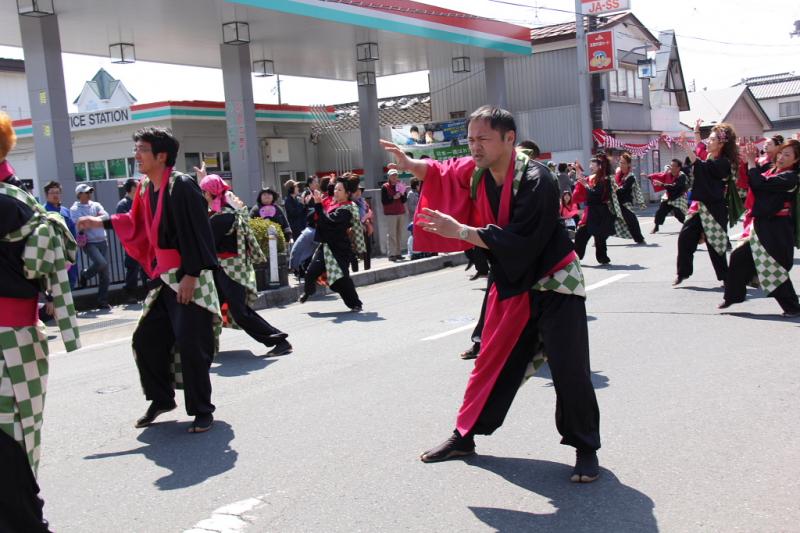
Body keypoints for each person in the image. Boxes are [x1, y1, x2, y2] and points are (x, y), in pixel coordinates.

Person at [380, 105, 601, 483]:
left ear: (509, 139)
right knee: (492, 363)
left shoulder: (537, 178)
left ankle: (585, 448)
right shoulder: (477, 171)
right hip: (513, 280)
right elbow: (442, 172)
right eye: (470, 139)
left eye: (482, 138)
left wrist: (461, 231)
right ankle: (464, 436)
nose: (474, 146)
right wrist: (410, 163)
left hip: (555, 279)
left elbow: (523, 239)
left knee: (569, 367)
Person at [78, 126, 220, 434]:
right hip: (161, 276)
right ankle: (162, 398)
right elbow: (134, 222)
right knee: (146, 339)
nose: (136, 155)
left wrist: (191, 275)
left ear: (162, 155)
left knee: (191, 343)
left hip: (188, 275)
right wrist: (100, 222)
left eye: (142, 150)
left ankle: (202, 409)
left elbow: (199, 232)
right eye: (137, 149)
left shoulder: (181, 185)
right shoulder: (144, 188)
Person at [1, 111, 80, 532]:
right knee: (16, 434)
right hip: (18, 335)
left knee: (9, 438)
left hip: (7, 339)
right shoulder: (20, 198)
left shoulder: (8, 203)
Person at [200, 174, 293, 356]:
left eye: (204, 192)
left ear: (210, 194)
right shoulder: (227, 212)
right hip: (229, 268)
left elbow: (204, 242)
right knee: (207, 309)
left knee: (240, 313)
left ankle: (279, 341)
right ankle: (202, 348)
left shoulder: (221, 218)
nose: (202, 196)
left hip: (230, 270)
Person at [719, 140, 800, 316]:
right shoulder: (771, 171)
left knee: (773, 267)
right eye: (781, 153)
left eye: (787, 155)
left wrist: (751, 163)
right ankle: (734, 296)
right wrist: (745, 162)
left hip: (776, 229)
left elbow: (759, 183)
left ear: (796, 160)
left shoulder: (791, 177)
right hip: (762, 224)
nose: (781, 157)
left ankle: (793, 307)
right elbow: (750, 181)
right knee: (739, 256)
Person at [673, 123, 739, 286]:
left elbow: (700, 165)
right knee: (685, 238)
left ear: (721, 143)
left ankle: (726, 277)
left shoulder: (724, 163)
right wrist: (695, 133)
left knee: (716, 245)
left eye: (712, 139)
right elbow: (699, 150)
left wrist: (685, 146)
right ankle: (683, 272)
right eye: (708, 139)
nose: (707, 142)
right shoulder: (710, 157)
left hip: (715, 208)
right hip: (699, 206)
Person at [298, 175, 366, 311]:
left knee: (341, 280)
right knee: (311, 272)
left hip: (340, 248)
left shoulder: (347, 209)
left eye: (339, 190)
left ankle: (355, 303)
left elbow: (329, 222)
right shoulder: (333, 203)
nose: (336, 192)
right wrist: (318, 200)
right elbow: (322, 208)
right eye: (335, 189)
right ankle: (308, 292)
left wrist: (318, 205)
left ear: (347, 193)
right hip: (326, 246)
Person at [70, 183, 111, 309]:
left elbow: (106, 216)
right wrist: (96, 219)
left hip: (102, 240)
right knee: (101, 263)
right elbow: (80, 224)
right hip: (89, 242)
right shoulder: (74, 209)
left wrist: (88, 220)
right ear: (79, 195)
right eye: (86, 192)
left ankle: (102, 301)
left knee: (105, 274)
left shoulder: (96, 204)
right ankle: (85, 274)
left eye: (90, 192)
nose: (89, 194)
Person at [572, 154, 615, 265]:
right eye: (590, 165)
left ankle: (601, 258)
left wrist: (585, 185)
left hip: (599, 212)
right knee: (584, 234)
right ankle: (579, 257)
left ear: (600, 166)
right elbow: (581, 180)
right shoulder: (594, 178)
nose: (590, 167)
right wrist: (577, 170)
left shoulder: (604, 179)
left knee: (596, 236)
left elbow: (596, 194)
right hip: (592, 212)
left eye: (593, 165)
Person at [117, 178, 149, 302]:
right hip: (132, 242)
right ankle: (130, 294)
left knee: (146, 268)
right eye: (137, 186)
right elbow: (123, 223)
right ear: (132, 188)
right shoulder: (123, 204)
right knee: (132, 268)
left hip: (143, 241)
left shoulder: (140, 201)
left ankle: (149, 293)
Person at [42, 180, 79, 289]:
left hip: (68, 253)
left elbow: (72, 232)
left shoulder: (65, 211)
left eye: (57, 192)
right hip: (53, 254)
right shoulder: (43, 212)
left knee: (71, 282)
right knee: (55, 285)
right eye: (52, 192)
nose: (55, 195)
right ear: (46, 195)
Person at [646, 159, 688, 233]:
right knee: (661, 211)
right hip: (669, 196)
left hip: (678, 196)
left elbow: (674, 186)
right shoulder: (668, 174)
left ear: (678, 168)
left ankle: (687, 225)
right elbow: (660, 176)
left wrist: (662, 184)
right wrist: (649, 176)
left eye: (673, 166)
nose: (671, 167)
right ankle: (656, 227)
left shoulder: (682, 176)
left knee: (677, 212)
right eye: (671, 165)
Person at [614, 152, 646, 244]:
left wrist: (614, 188)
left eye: (623, 163)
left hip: (625, 202)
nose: (621, 164)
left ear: (628, 164)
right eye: (620, 162)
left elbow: (624, 189)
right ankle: (599, 239)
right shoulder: (618, 174)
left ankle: (639, 239)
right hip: (615, 201)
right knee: (606, 220)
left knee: (631, 220)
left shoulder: (630, 177)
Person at [381, 168, 408, 261]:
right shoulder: (385, 187)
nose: (394, 177)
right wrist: (393, 197)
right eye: (392, 175)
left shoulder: (401, 185)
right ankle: (392, 254)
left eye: (396, 175)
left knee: (399, 234)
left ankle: (398, 253)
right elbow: (384, 201)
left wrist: (402, 195)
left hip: (400, 212)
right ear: (388, 177)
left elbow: (404, 200)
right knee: (392, 234)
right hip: (391, 213)